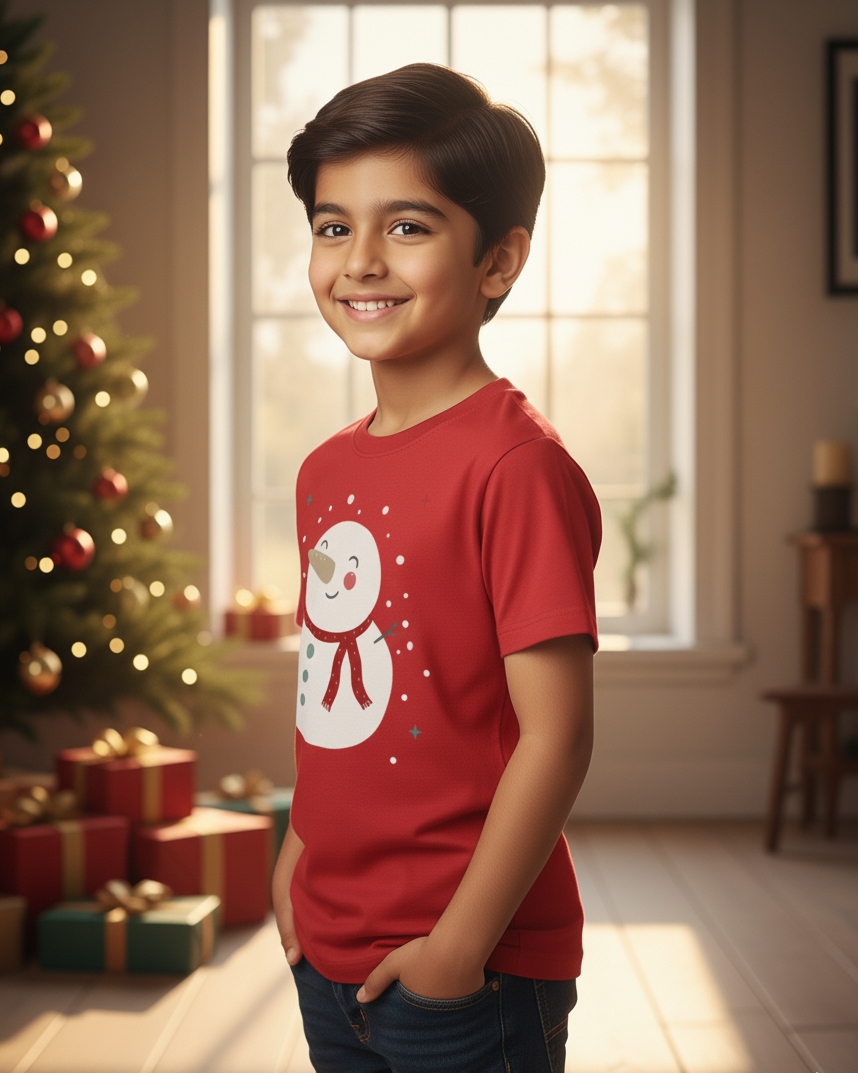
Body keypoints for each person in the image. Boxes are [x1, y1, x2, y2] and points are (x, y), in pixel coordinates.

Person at [272, 62, 601, 1073]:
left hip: (470, 965)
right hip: (325, 942)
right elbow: (335, 683)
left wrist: (455, 949)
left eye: (407, 227)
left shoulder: (519, 467)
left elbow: (557, 735)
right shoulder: (325, 471)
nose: (361, 261)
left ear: (499, 259)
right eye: (335, 226)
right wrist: (293, 865)